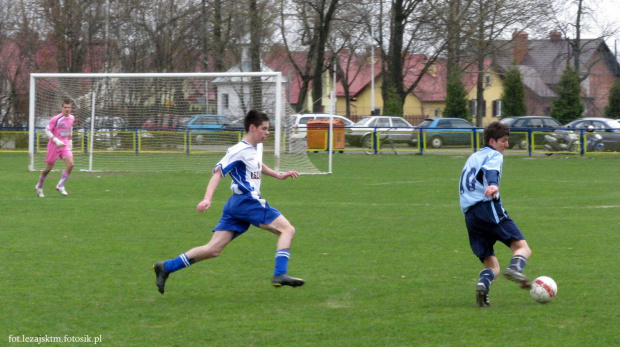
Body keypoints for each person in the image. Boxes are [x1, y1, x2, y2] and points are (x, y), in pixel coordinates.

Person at [153, 110, 304, 294]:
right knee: (287, 229)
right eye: (264, 129)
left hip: (236, 205)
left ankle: (166, 267)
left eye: (268, 129)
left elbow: (257, 164)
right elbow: (218, 173)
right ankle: (280, 273)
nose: (267, 132)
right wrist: (207, 198)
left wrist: (277, 175)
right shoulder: (237, 151)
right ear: (252, 127)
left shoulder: (257, 147)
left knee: (212, 249)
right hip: (247, 201)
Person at [458, 121, 532, 307]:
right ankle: (515, 268)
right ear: (492, 141)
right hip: (487, 208)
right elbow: (490, 171)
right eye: (503, 141)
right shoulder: (494, 155)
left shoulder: (473, 157)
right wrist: (493, 184)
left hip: (470, 216)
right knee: (522, 248)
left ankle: (483, 287)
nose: (506, 145)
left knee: (492, 266)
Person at [35, 100, 75, 197]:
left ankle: (60, 185)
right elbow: (47, 129)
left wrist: (70, 141)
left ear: (71, 108)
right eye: (65, 107)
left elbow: (70, 129)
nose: (67, 109)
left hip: (64, 144)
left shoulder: (72, 118)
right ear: (62, 108)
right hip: (54, 145)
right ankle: (39, 186)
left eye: (69, 107)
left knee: (71, 164)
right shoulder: (56, 119)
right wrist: (55, 140)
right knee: (48, 168)